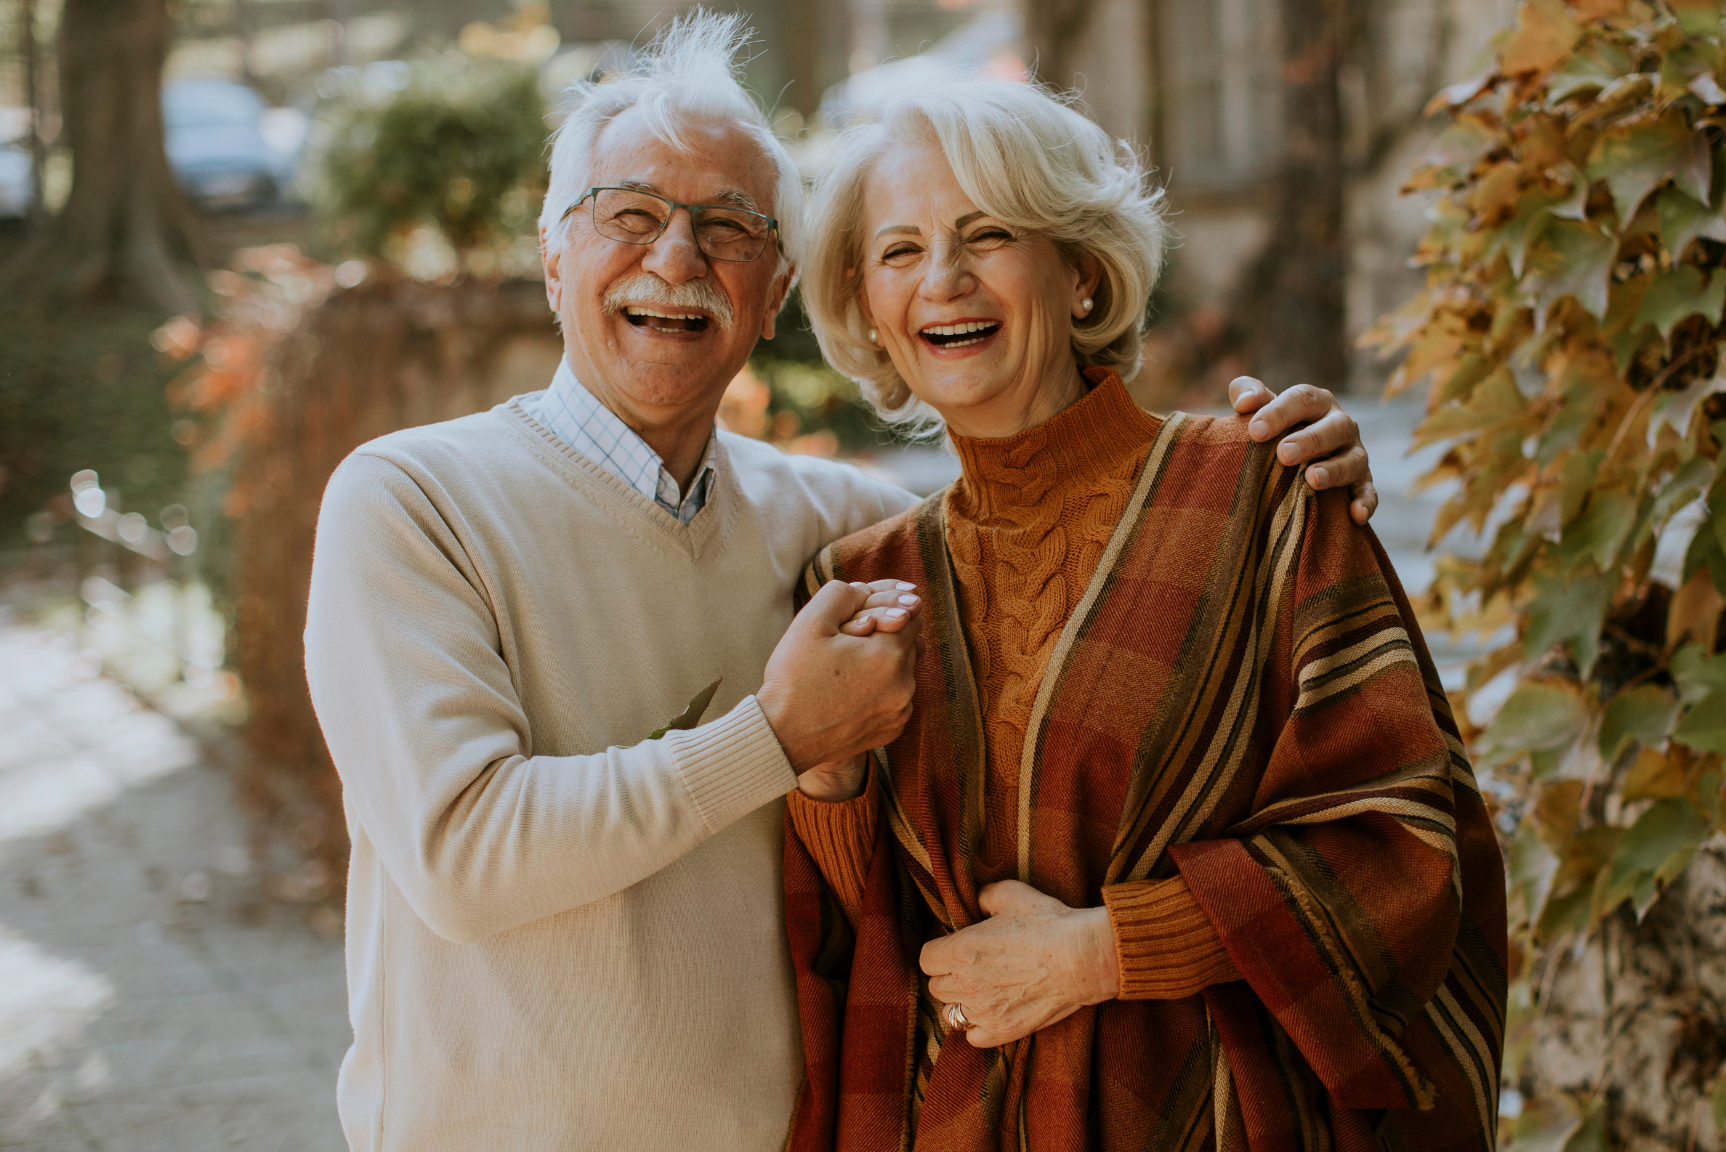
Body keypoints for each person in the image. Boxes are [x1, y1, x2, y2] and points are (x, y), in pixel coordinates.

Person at [302, 16, 1380, 1152]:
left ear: (774, 297)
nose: (676, 258)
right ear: (553, 253)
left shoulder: (837, 530)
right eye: (629, 216)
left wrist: (1286, 469)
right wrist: (777, 739)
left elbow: (1058, 501)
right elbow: (466, 861)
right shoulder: (411, 500)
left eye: (728, 229)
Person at [781, 79, 1508, 1152]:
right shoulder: (857, 582)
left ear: (1079, 272)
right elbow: (866, 932)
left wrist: (1108, 951)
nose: (943, 279)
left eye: (987, 234)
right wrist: (826, 776)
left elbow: (1397, 843)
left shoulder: (1259, 491)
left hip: (1210, 1118)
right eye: (899, 250)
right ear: (870, 309)